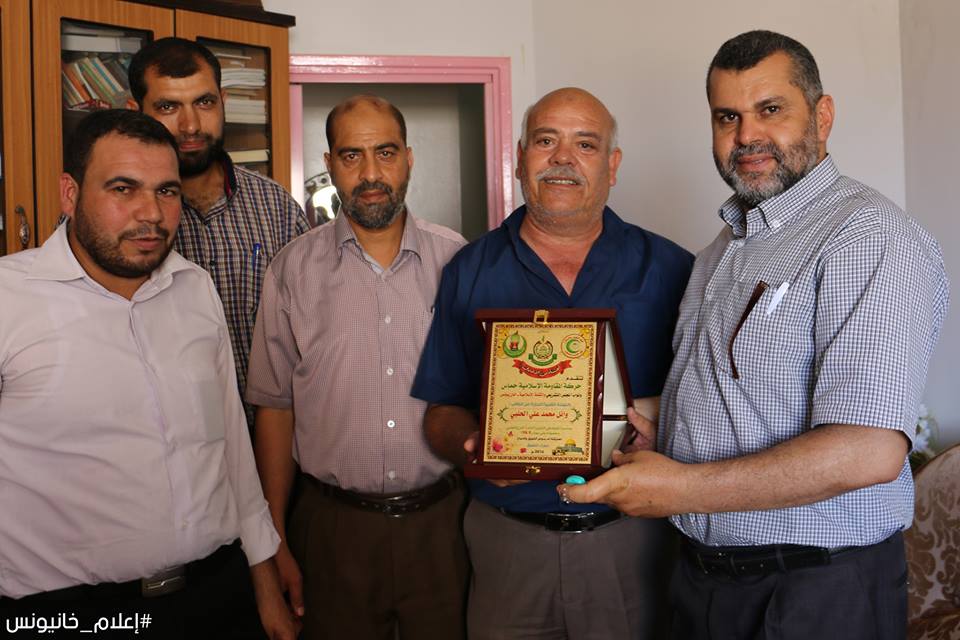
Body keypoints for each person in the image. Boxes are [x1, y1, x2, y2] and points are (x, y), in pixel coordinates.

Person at [562, 30, 950, 640]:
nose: (746, 136)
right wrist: (655, 424)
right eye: (728, 117)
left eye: (770, 109)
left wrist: (680, 489)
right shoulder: (724, 247)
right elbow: (743, 396)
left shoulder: (867, 236)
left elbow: (870, 449)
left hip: (816, 592)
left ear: (822, 115)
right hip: (705, 580)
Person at [0, 109, 295, 639]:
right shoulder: (9, 299)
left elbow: (231, 448)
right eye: (123, 188)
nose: (152, 213)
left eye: (167, 191)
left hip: (217, 594)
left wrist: (263, 578)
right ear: (70, 193)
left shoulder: (196, 289)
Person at [412, 87, 694, 639]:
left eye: (585, 144)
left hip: (630, 539)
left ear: (612, 165)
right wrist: (474, 446)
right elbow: (441, 409)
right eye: (546, 141)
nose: (563, 157)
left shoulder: (673, 268)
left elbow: (709, 404)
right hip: (507, 543)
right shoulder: (469, 269)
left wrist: (660, 430)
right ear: (520, 158)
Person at [246, 95, 469, 640]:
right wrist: (275, 541)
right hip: (331, 530)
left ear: (409, 158)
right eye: (352, 156)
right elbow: (275, 409)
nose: (371, 174)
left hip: (443, 526)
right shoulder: (291, 271)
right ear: (330, 163)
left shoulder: (458, 260)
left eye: (385, 152)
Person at [129, 37, 310, 431]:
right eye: (168, 107)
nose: (191, 125)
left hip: (271, 440)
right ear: (135, 112)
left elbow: (312, 335)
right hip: (163, 445)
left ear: (223, 102)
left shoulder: (275, 207)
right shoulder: (112, 215)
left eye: (204, 102)